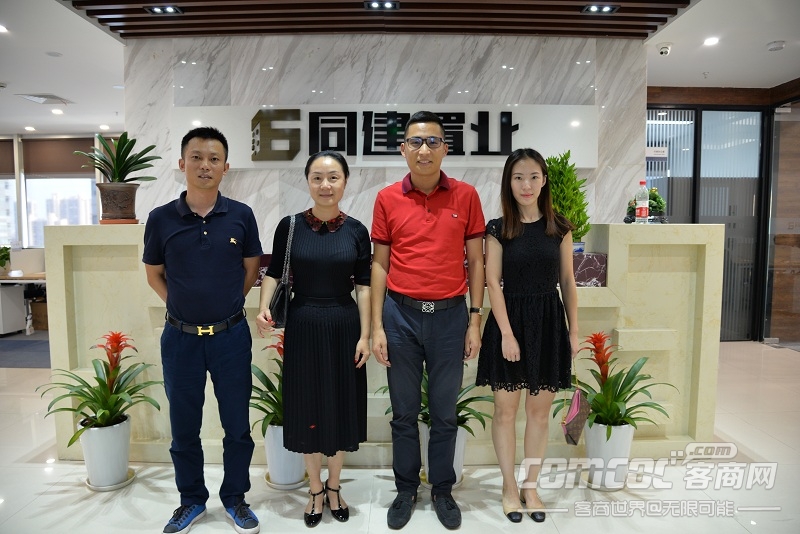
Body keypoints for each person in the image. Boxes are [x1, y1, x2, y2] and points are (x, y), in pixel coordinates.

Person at [143, 127, 263, 534]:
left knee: (237, 426)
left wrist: (226, 306)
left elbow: (251, 270)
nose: (205, 165)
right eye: (196, 157)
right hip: (180, 341)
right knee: (184, 428)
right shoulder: (161, 219)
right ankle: (191, 500)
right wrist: (181, 308)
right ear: (182, 163)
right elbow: (154, 274)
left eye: (214, 159)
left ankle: (236, 498)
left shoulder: (242, 215)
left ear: (226, 167)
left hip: (231, 338)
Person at [371, 111, 486, 530]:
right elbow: (379, 264)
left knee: (444, 413)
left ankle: (442, 489)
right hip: (400, 316)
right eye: (416, 142)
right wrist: (377, 326)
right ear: (403, 149)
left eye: (433, 141)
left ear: (445, 149)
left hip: (450, 318)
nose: (425, 150)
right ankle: (405, 489)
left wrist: (475, 320)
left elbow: (476, 261)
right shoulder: (387, 198)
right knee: (403, 413)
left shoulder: (466, 196)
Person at [256, 151, 371, 528]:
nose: (325, 185)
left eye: (333, 177)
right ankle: (315, 490)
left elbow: (365, 286)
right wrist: (263, 307)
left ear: (345, 182)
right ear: (307, 182)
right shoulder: (289, 226)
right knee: (307, 406)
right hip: (303, 323)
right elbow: (274, 273)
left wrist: (366, 334)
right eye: (317, 178)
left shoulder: (357, 231)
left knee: (340, 406)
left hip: (343, 324)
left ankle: (334, 487)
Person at [475, 148, 578, 524]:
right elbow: (492, 281)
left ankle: (530, 486)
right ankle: (508, 486)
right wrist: (506, 333)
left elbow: (568, 280)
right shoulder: (498, 229)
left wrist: (574, 331)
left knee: (539, 413)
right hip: (509, 322)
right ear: (509, 182)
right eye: (518, 177)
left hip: (549, 322)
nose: (526, 184)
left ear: (544, 180)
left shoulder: (559, 227)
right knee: (505, 412)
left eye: (534, 176)